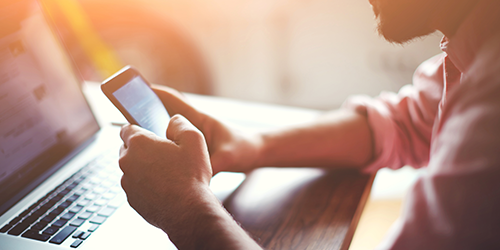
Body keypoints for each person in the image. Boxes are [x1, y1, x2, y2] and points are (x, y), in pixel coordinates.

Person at [117, 0, 500, 248]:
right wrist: (249, 145)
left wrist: (186, 210)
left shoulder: (491, 101)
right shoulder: (476, 44)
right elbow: (408, 122)